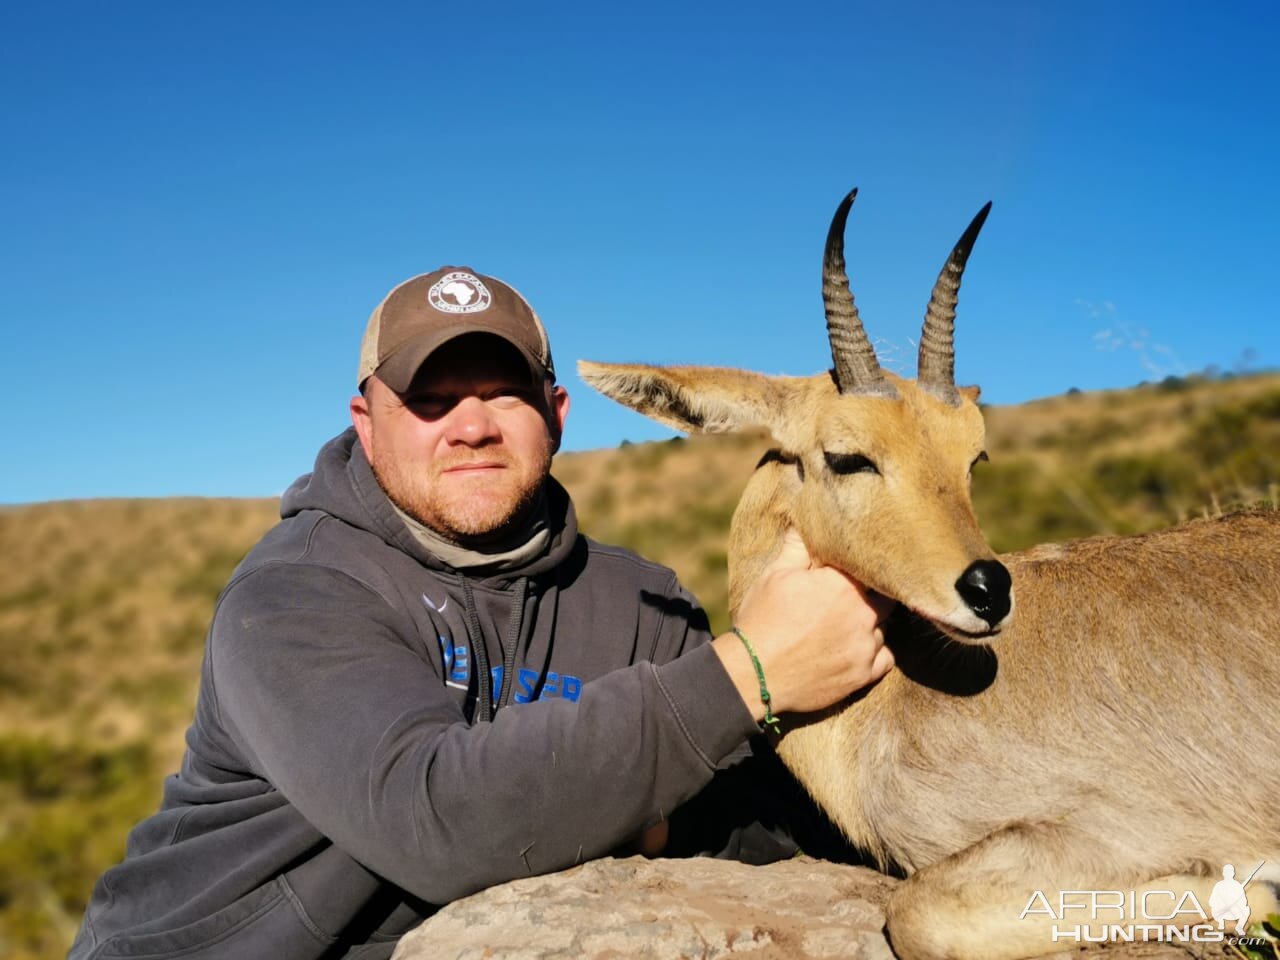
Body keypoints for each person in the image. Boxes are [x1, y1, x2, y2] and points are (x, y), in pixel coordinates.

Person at [68, 266, 895, 960]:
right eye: (431, 397)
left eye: (503, 393)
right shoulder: (294, 593)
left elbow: (749, 832)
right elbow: (436, 821)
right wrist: (748, 674)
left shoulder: (640, 605)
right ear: (365, 423)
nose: (471, 427)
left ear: (556, 414)